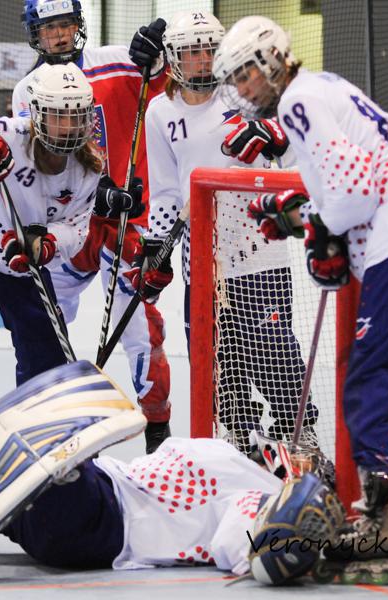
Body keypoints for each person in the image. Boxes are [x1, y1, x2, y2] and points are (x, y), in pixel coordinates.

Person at [213, 16, 388, 561]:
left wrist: (317, 228)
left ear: (269, 62)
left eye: (245, 75)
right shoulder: (327, 87)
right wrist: (306, 219)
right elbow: (347, 185)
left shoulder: (296, 103)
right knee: (387, 381)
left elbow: (352, 195)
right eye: (234, 79)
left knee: (370, 380)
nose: (241, 88)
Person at [0, 361, 346, 587]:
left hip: (100, 519)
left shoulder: (255, 493)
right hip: (92, 505)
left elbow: (256, 555)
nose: (297, 456)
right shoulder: (240, 463)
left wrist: (295, 531)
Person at [0, 62, 138, 431]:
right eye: (58, 116)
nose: (68, 127)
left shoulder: (89, 169)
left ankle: (41, 426)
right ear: (36, 114)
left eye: (76, 117)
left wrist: (45, 244)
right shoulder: (7, 134)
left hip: (13, 259)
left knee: (46, 337)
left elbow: (76, 227)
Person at [143, 10, 319, 453]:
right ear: (174, 58)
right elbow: (166, 191)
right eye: (191, 52)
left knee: (274, 351)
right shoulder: (161, 112)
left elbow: (298, 146)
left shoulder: (243, 95)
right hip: (201, 257)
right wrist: (158, 248)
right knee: (219, 359)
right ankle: (235, 439)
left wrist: (270, 129)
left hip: (260, 248)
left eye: (209, 50)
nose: (202, 60)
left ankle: (299, 435)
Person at [12, 0, 174, 453]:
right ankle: (51, 419)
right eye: (49, 29)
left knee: (141, 328)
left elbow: (165, 85)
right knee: (46, 320)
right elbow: (36, 161)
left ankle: (157, 431)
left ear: (78, 28)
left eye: (66, 25)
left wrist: (156, 57)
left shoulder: (117, 62)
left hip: (128, 222)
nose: (59, 36)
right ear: (35, 34)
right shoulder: (27, 89)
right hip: (69, 223)